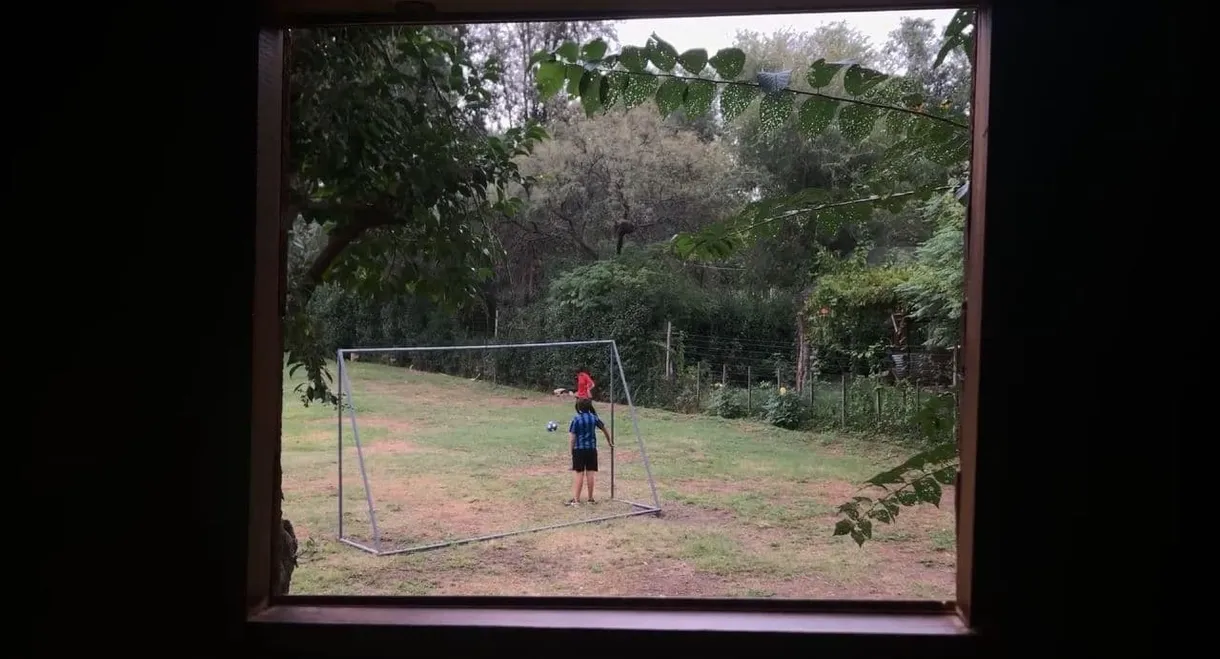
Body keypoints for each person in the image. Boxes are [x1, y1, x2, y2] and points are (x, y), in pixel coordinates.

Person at [566, 397, 612, 506]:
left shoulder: (576, 419)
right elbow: (604, 429)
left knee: (579, 474)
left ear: (578, 407)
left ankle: (576, 500)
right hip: (591, 449)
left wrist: (571, 450)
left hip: (579, 450)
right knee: (590, 473)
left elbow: (573, 437)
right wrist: (609, 442)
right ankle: (590, 499)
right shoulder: (594, 418)